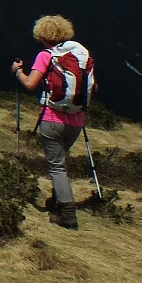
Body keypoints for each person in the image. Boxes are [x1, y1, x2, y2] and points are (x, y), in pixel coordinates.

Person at [11, 15, 95, 230]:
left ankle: (68, 215)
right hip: (76, 121)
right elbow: (94, 88)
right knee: (62, 162)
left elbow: (31, 84)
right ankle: (58, 201)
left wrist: (18, 72)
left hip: (52, 118)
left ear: (41, 35)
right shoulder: (79, 55)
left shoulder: (46, 55)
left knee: (57, 166)